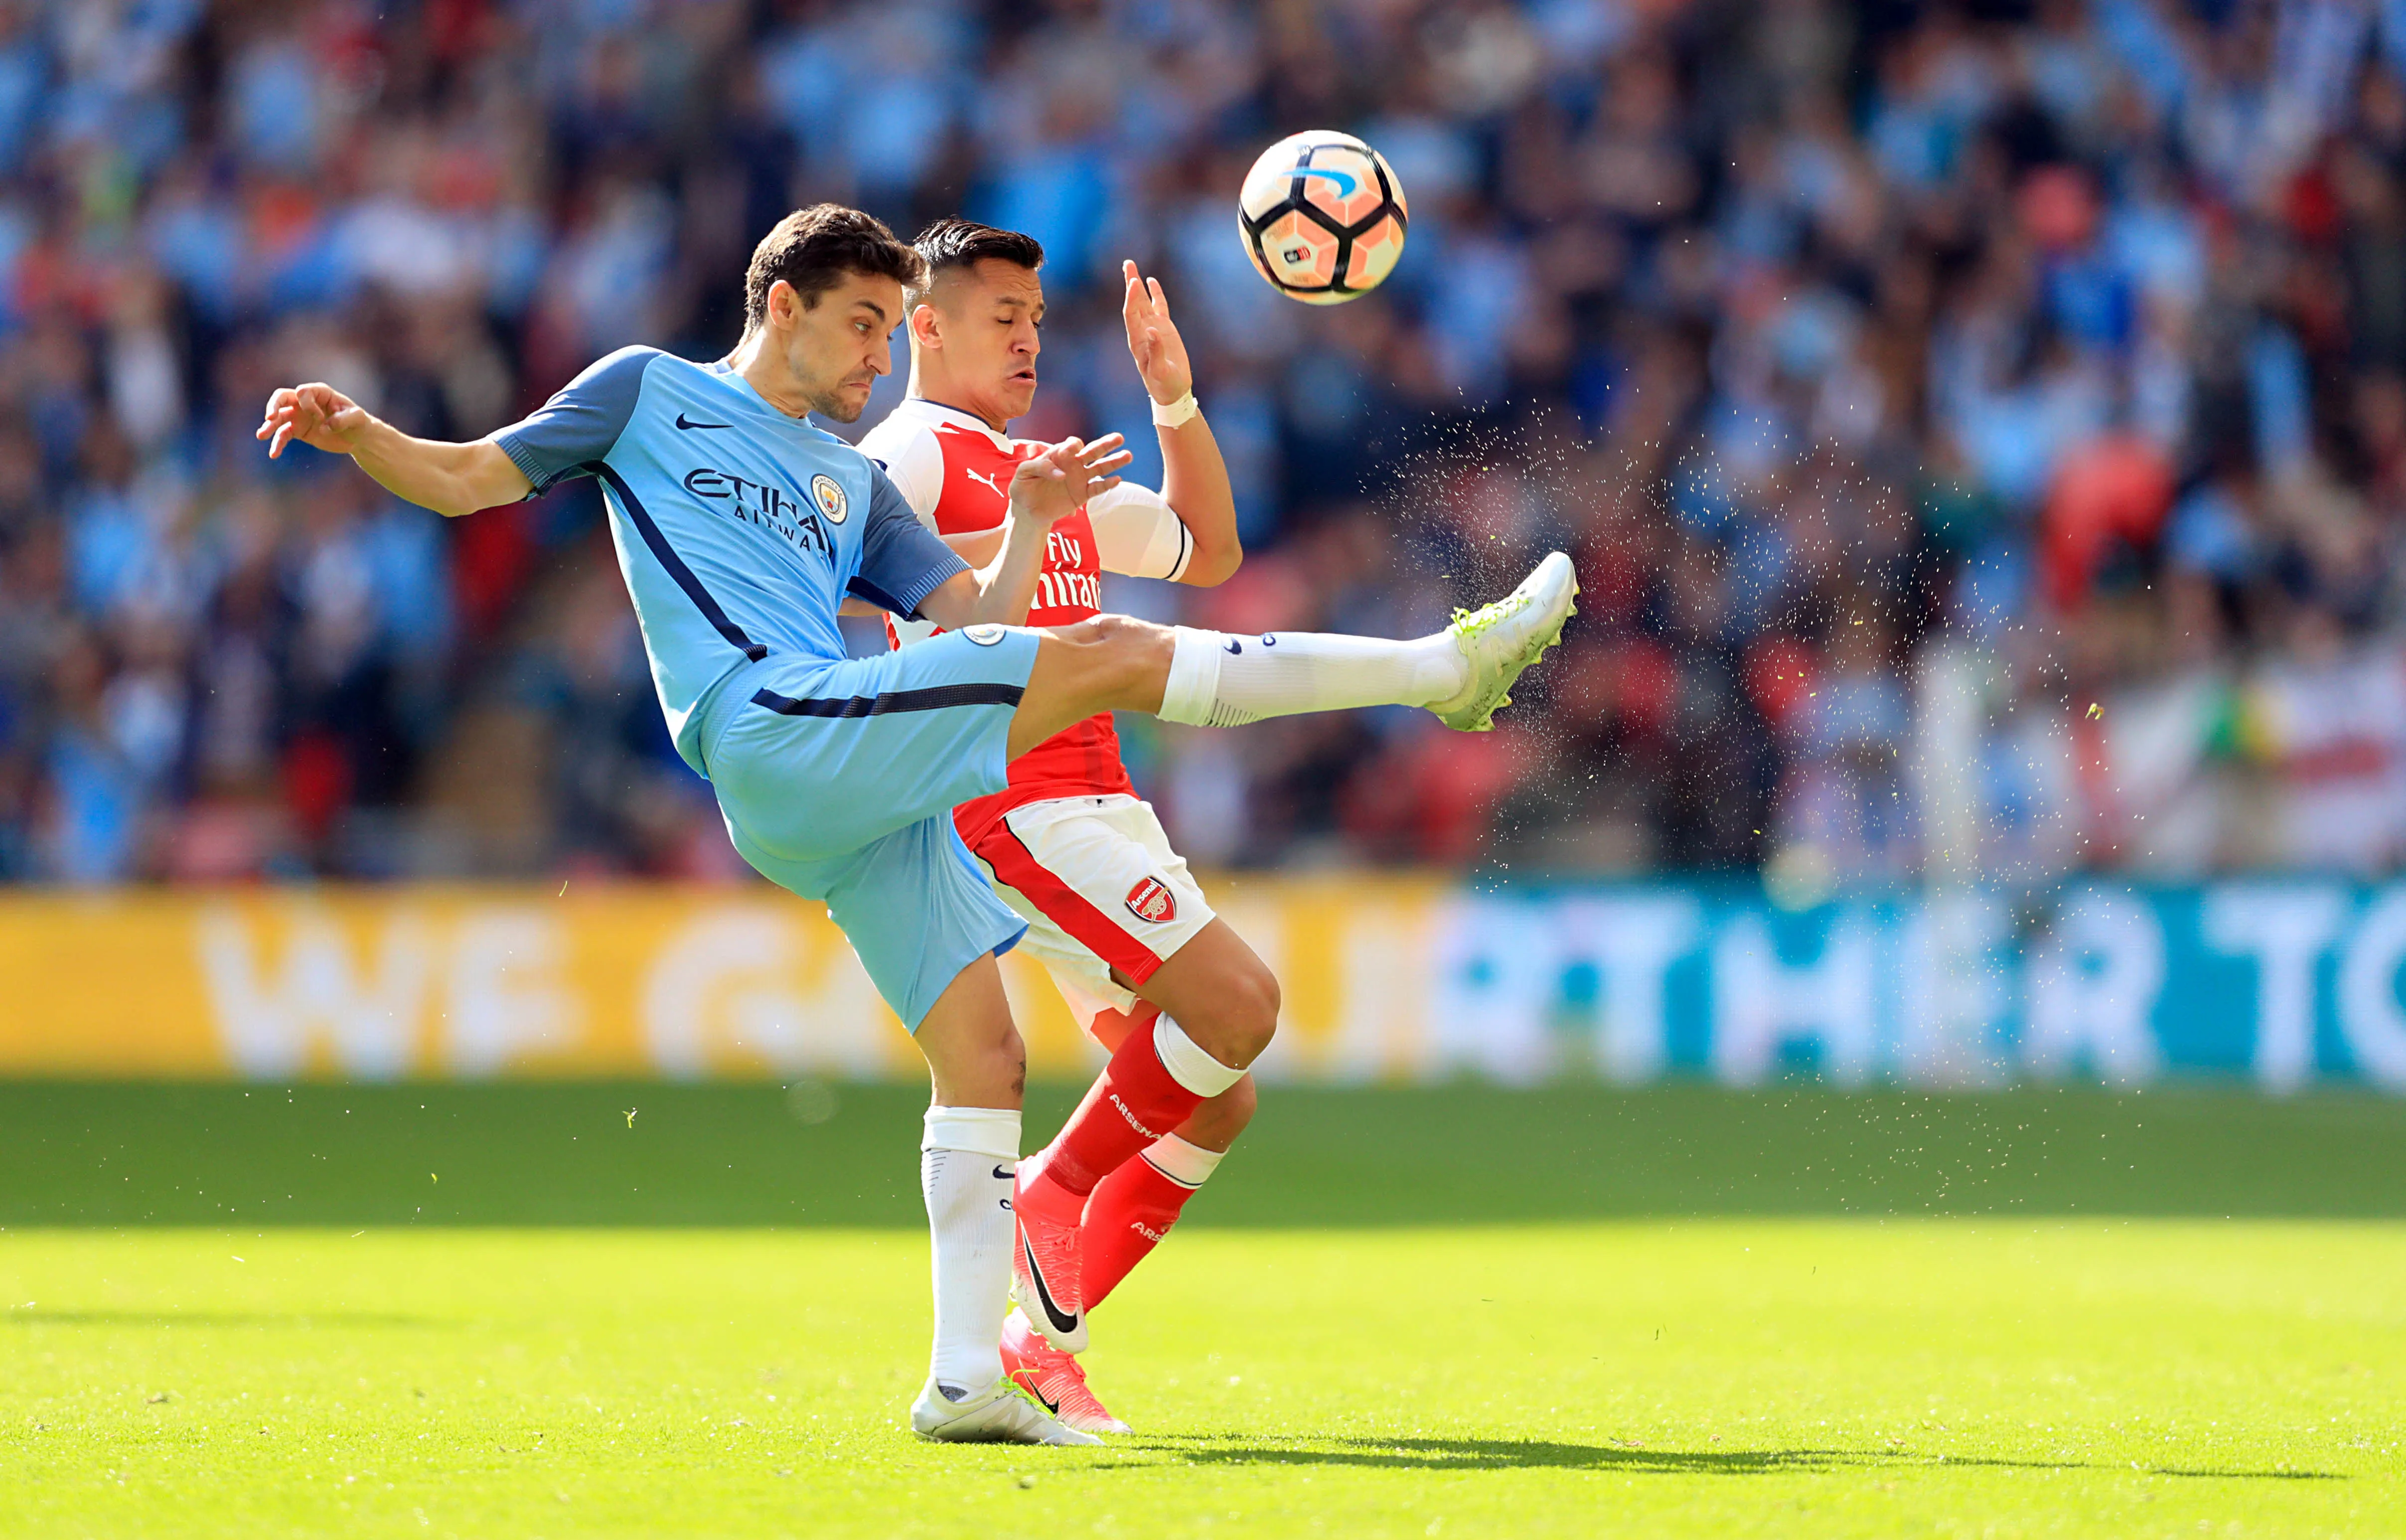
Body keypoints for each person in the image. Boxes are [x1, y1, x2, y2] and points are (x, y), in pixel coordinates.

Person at [256, 203, 1578, 1447]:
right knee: (1109, 652)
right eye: (863, 327)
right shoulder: (647, 389)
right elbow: (471, 479)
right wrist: (361, 434)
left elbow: (974, 613)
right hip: (772, 720)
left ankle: (964, 1380)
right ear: (782, 306)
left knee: (987, 1057)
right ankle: (1438, 670)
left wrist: (1034, 523)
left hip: (836, 788)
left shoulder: (853, 482)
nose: (878, 357)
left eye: (891, 332)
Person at [855, 219, 1252, 1434]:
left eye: (1036, 317)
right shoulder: (908, 454)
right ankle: (1050, 1191)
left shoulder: (1041, 467)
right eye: (1002, 317)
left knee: (1215, 1094)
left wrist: (1173, 400)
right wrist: (1025, 526)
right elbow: (876, 589)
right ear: (927, 326)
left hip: (1104, 800)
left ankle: (1032, 1348)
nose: (1029, 338)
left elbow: (1209, 551)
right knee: (1237, 1006)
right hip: (1011, 802)